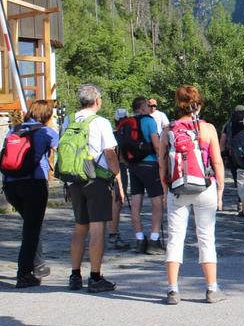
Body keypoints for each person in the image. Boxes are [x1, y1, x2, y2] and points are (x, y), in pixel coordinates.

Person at [158, 85, 227, 304]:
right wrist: (220, 189)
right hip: (204, 185)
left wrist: (164, 188)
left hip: (177, 187)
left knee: (175, 238)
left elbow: (162, 163)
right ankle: (212, 289)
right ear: (199, 102)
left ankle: (172, 290)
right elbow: (216, 161)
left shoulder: (169, 129)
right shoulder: (208, 129)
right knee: (206, 237)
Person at [60, 83, 123, 293]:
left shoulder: (68, 119)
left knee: (79, 228)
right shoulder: (101, 122)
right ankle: (95, 277)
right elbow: (110, 154)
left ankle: (74, 275)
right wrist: (119, 180)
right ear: (97, 101)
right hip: (95, 179)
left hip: (74, 179)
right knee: (97, 228)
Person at [1, 99, 58, 288]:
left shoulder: (14, 130)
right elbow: (58, 150)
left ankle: (38, 265)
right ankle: (24, 274)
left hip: (10, 184)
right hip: (33, 184)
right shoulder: (47, 132)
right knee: (32, 230)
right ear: (47, 115)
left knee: (31, 226)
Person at [126, 97, 165, 255]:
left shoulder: (127, 123)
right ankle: (154, 241)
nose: (150, 108)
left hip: (133, 166)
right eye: (147, 106)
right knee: (157, 202)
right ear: (141, 107)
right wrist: (161, 162)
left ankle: (139, 239)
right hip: (149, 164)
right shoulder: (149, 121)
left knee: (136, 204)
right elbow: (156, 145)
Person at [107, 108, 130, 250]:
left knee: (107, 202)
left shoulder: (111, 134)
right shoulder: (127, 134)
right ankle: (113, 234)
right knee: (117, 202)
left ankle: (109, 233)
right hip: (119, 168)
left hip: (103, 169)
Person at [221, 103, 244, 213]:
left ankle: (241, 204)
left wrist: (222, 155)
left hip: (233, 155)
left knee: (238, 180)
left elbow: (223, 140)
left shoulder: (228, 124)